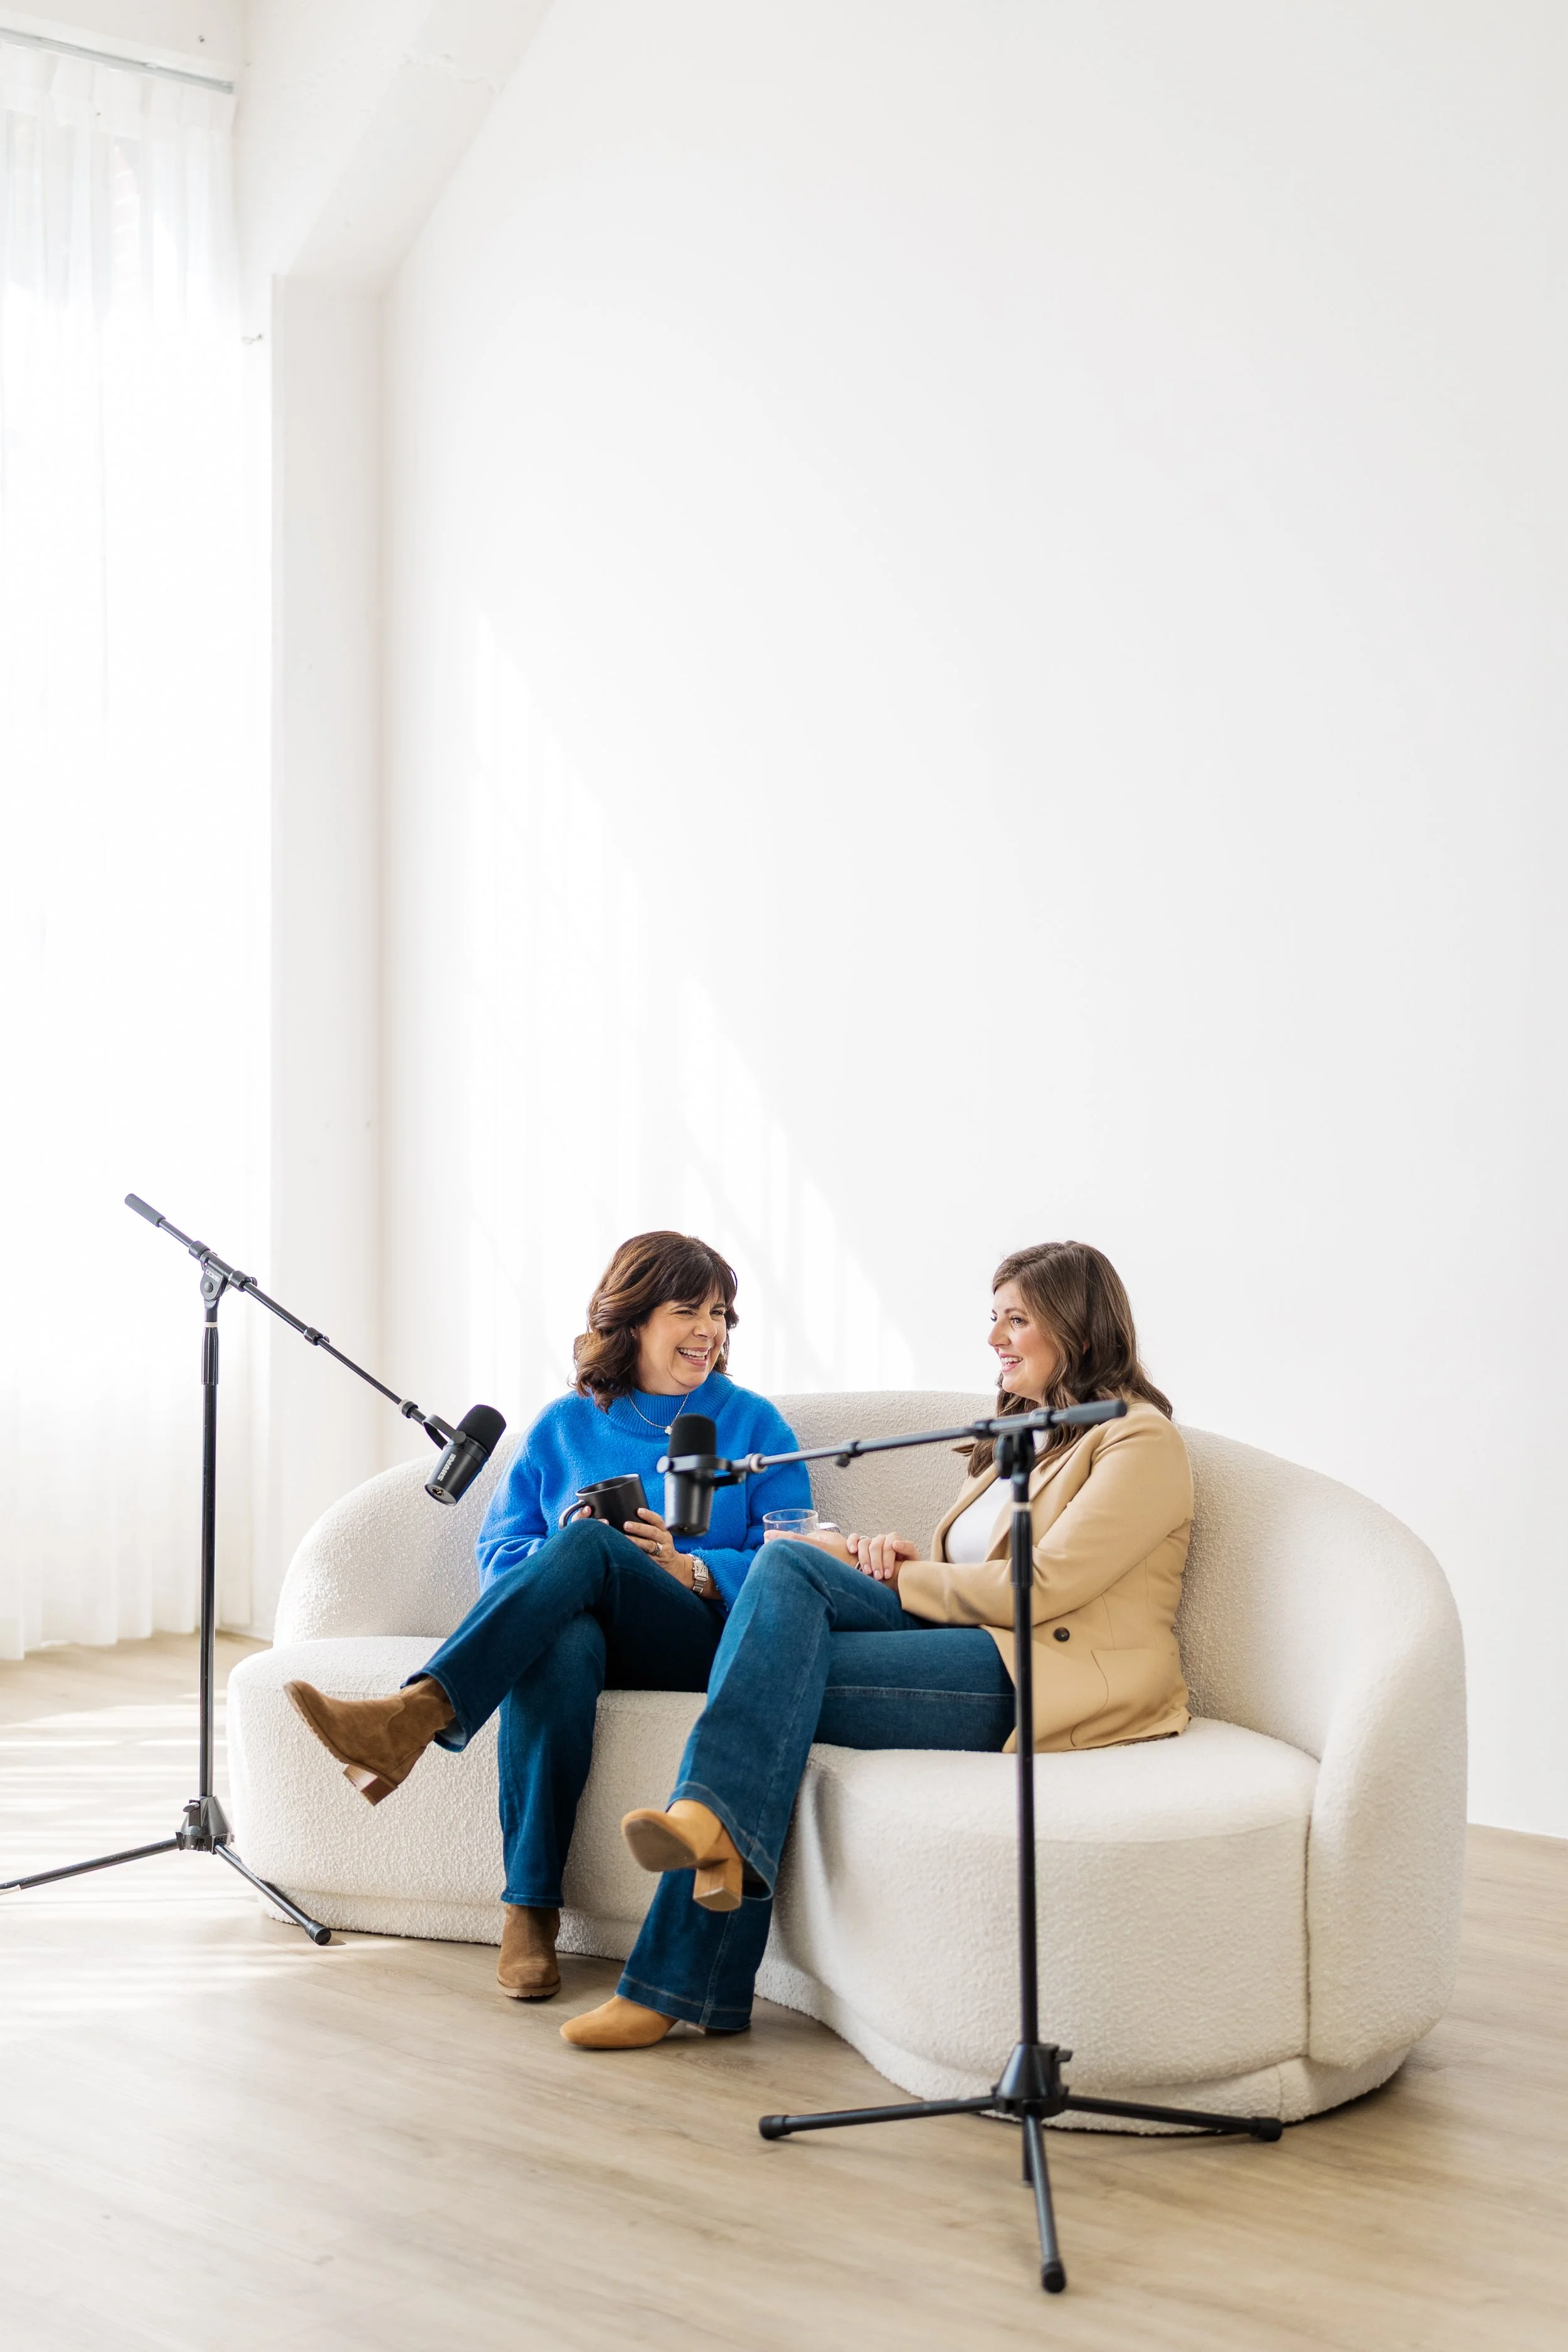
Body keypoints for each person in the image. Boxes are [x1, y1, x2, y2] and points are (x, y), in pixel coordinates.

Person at [561, 1238, 1194, 2049]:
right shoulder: (1024, 1439)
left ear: (1079, 1326)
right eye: (994, 1318)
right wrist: (899, 1559)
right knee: (789, 1560)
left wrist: (910, 1581)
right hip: (968, 1644)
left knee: (767, 1686)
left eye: (1016, 1319)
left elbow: (1046, 1585)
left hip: (1046, 1675)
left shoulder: (1136, 1440)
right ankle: (701, 1884)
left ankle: (682, 1957)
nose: (995, 1338)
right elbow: (982, 1571)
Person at [282, 1231, 811, 2003]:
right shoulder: (564, 1426)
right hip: (587, 1637)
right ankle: (529, 1914)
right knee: (561, 1635)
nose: (710, 1330)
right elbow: (499, 1554)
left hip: (700, 1639)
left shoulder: (753, 1424)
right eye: (688, 1311)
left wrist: (689, 1567)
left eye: (720, 1314)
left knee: (592, 1548)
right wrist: (565, 1549)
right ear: (634, 1318)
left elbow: (794, 1557)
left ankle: (415, 1715)